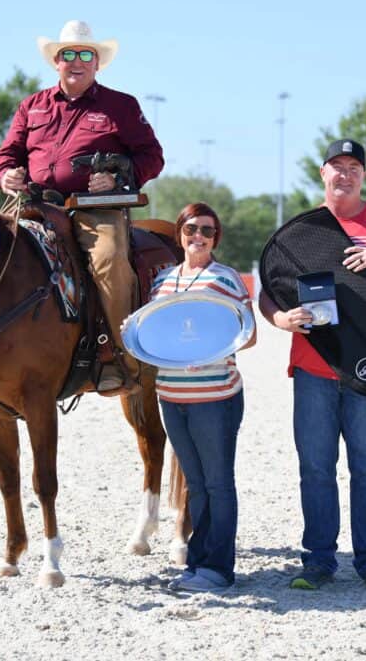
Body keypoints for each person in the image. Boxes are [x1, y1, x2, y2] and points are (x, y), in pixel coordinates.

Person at [258, 139, 366, 594]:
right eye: (338, 166)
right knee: (315, 468)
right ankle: (318, 560)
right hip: (313, 368)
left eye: (354, 167)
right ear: (323, 173)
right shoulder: (299, 231)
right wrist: (279, 319)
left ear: (364, 176)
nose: (345, 174)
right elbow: (269, 289)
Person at [0, 20, 164, 392]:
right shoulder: (31, 106)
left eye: (86, 54)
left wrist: (119, 178)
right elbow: (8, 154)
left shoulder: (121, 106)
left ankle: (123, 357)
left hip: (94, 210)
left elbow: (152, 156)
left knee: (108, 260)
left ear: (97, 63)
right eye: (68, 54)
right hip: (35, 206)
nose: (77, 61)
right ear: (56, 61)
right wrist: (5, 174)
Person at [149, 203, 256, 593]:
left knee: (217, 483)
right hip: (171, 395)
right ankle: (197, 564)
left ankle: (218, 569)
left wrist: (206, 350)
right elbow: (155, 334)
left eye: (207, 231)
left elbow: (249, 335)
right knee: (194, 482)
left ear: (216, 238)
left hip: (215, 396)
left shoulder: (226, 279)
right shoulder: (161, 282)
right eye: (191, 228)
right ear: (179, 232)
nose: (199, 236)